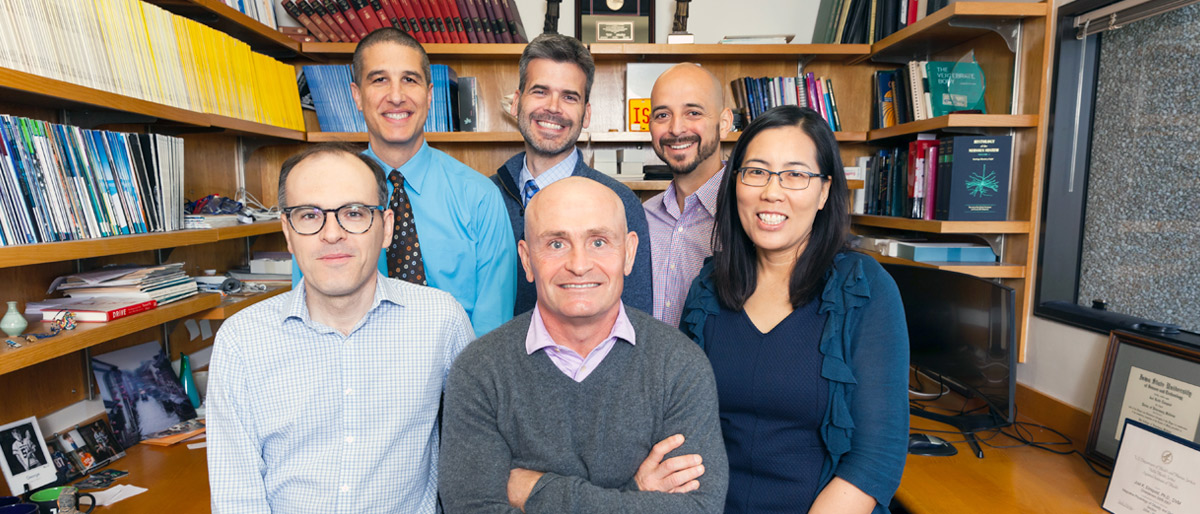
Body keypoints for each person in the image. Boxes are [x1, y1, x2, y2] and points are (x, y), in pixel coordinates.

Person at [208, 143, 474, 513]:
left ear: (386, 228)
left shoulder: (441, 322)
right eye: (308, 215)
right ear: (287, 231)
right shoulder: (241, 341)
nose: (332, 234)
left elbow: (476, 454)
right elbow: (237, 497)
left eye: (354, 212)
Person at [440, 177, 728, 513]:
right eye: (556, 244)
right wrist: (636, 495)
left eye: (599, 242)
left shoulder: (679, 366)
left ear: (630, 253)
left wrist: (537, 490)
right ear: (527, 259)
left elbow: (699, 509)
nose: (578, 265)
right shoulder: (479, 371)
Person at [679, 106, 909, 514]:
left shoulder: (865, 288)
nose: (772, 191)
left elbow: (877, 458)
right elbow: (680, 427)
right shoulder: (707, 288)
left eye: (796, 174)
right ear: (736, 183)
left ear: (824, 191)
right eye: (757, 171)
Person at [293, 28, 517, 336]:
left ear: (429, 95)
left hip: (456, 378)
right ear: (357, 96)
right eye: (379, 79)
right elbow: (307, 317)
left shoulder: (480, 197)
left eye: (409, 79)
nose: (396, 96)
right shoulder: (319, 199)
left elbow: (493, 333)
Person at [490, 34, 652, 316]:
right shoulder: (484, 197)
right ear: (516, 103)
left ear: (586, 114)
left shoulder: (620, 202)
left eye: (569, 97)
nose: (553, 107)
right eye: (540, 91)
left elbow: (636, 320)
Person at [643, 63, 733, 326]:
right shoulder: (641, 218)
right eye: (662, 115)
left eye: (693, 112)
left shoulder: (750, 218)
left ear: (724, 123)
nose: (676, 128)